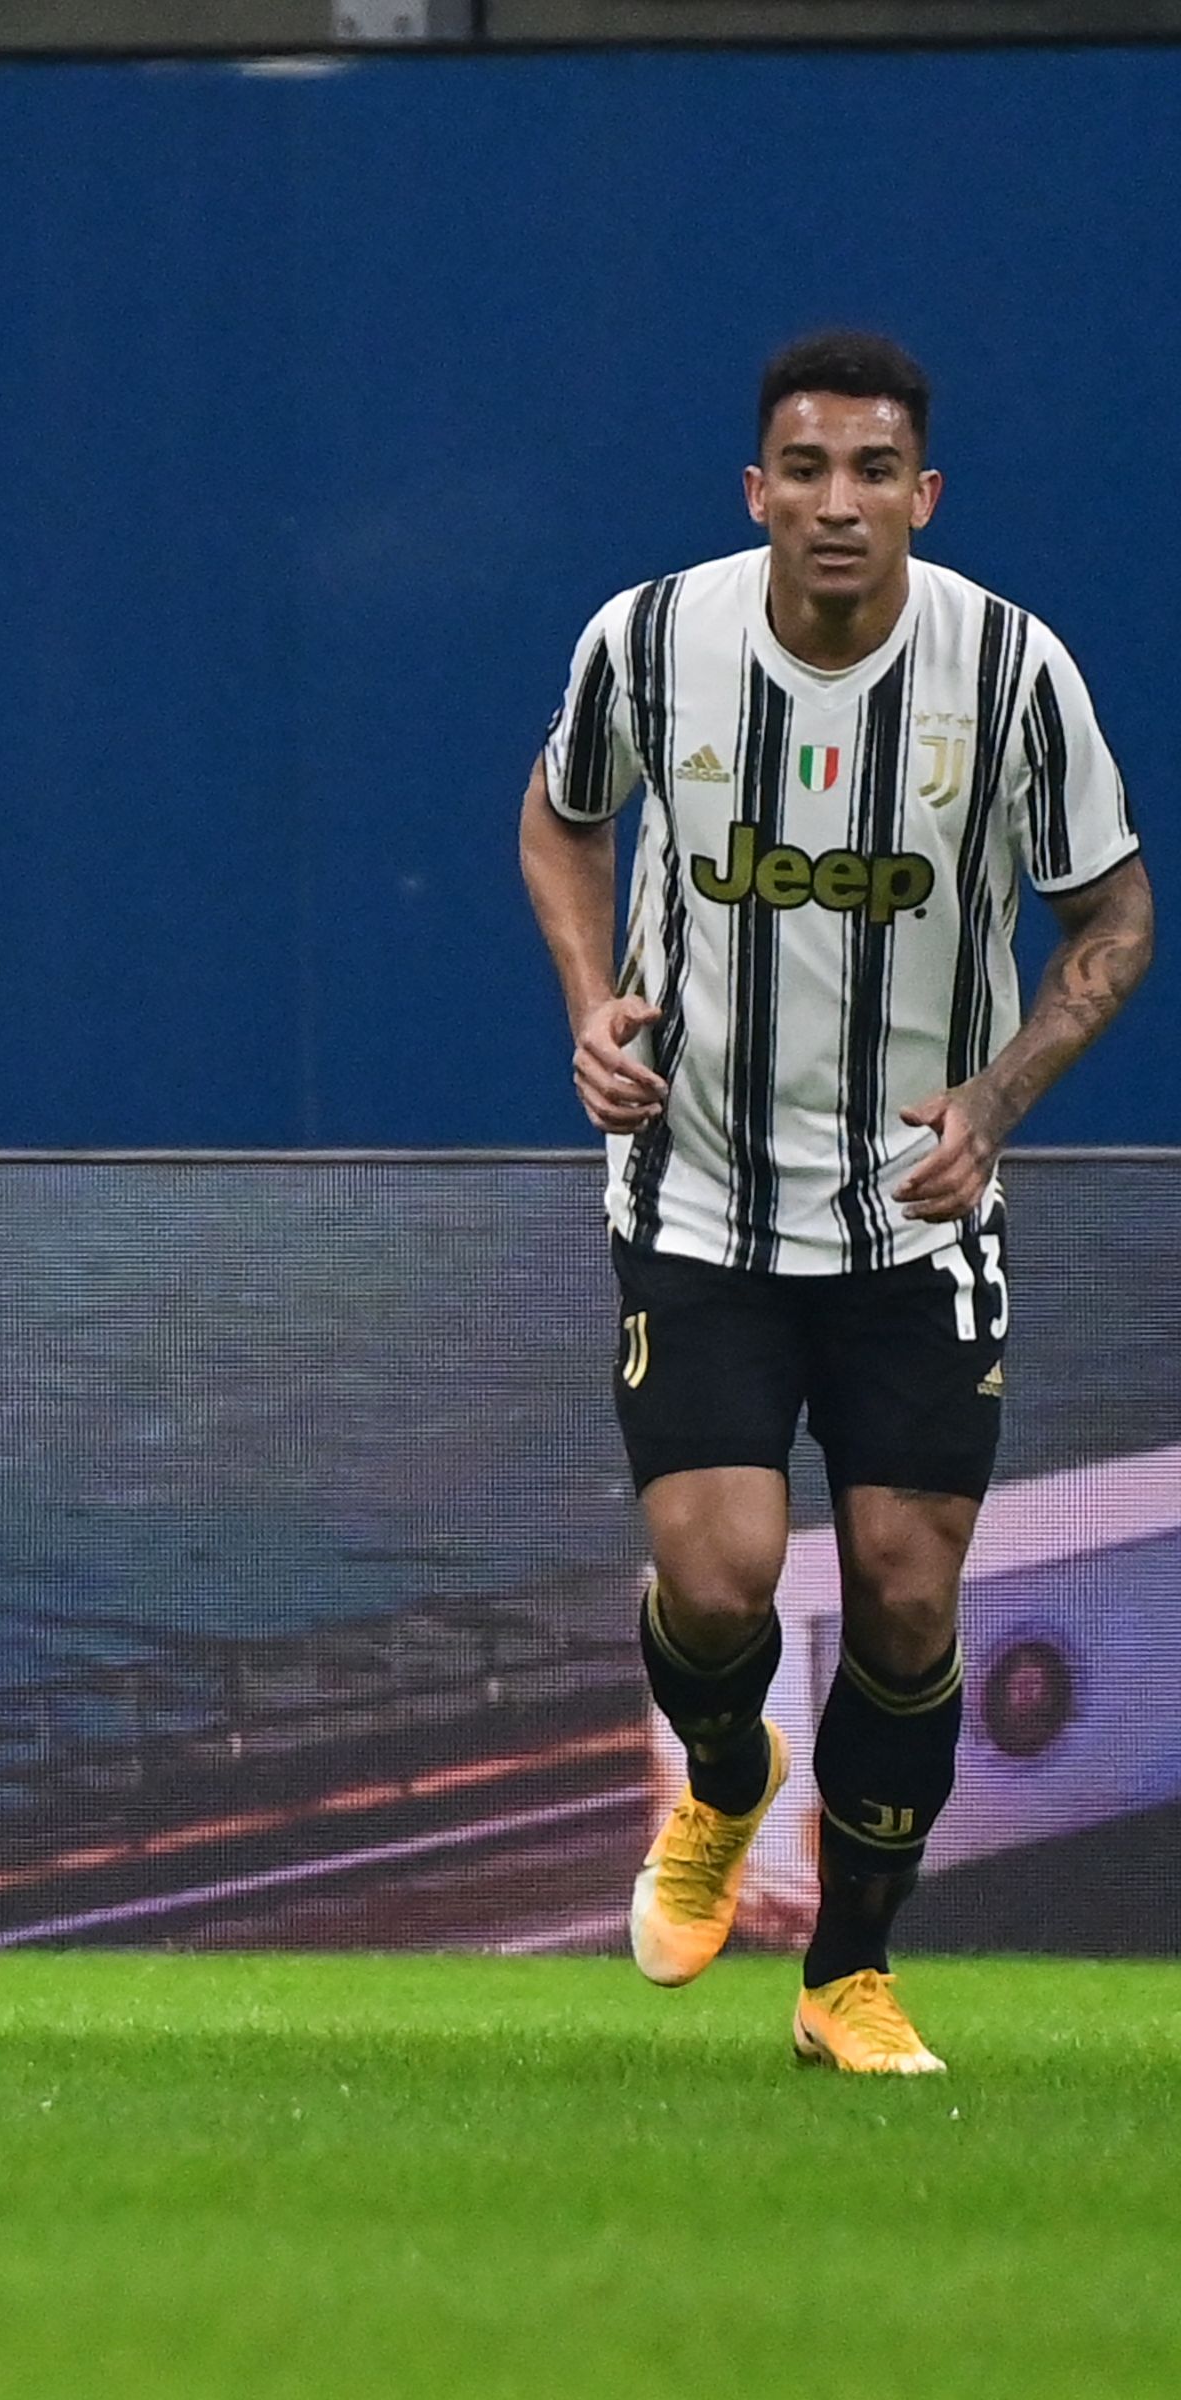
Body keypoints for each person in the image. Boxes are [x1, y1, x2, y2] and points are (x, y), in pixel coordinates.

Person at [519, 331, 1152, 2074]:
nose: (838, 504)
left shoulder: (1011, 673)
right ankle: (729, 1782)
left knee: (906, 1590)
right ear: (757, 492)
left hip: (915, 1214)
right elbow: (562, 822)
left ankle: (847, 1979)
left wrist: (1003, 1100)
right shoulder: (649, 641)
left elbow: (1113, 918)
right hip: (699, 1196)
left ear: (922, 498)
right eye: (805, 470)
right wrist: (591, 1001)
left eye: (874, 472)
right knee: (720, 1585)